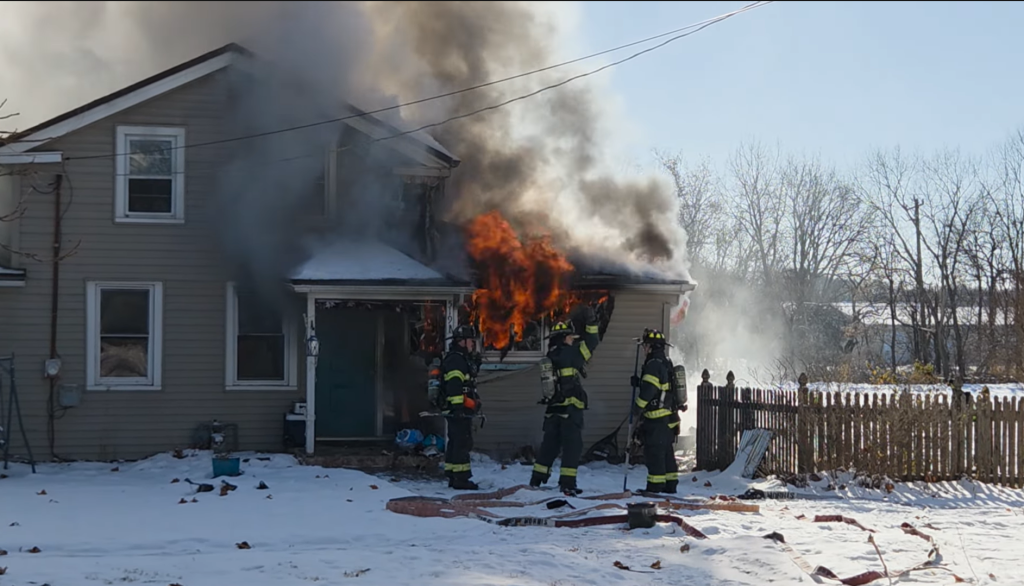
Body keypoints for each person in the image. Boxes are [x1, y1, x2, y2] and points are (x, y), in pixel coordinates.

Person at [530, 305, 601, 495]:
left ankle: (537, 479)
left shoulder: (551, 355)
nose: (572, 340)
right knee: (572, 447)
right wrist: (591, 322)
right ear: (563, 338)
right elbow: (592, 341)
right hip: (570, 410)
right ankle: (567, 483)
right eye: (570, 337)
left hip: (553, 409)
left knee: (549, 446)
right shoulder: (572, 353)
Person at [631, 328, 681, 494]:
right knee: (667, 453)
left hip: (656, 419)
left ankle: (655, 487)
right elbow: (660, 387)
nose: (644, 349)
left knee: (655, 454)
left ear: (650, 347)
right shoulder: (665, 362)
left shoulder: (653, 364)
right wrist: (639, 382)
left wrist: (637, 407)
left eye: (645, 346)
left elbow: (650, 390)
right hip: (669, 418)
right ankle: (670, 484)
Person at [441, 324, 483, 490]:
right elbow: (454, 385)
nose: (472, 344)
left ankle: (452, 475)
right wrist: (458, 408)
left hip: (458, 408)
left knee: (455, 441)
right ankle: (461, 478)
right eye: (470, 341)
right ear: (462, 341)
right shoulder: (456, 360)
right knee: (462, 442)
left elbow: (467, 381)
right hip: (458, 409)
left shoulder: (460, 358)